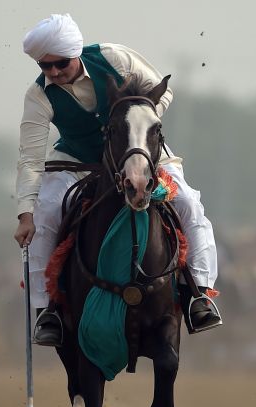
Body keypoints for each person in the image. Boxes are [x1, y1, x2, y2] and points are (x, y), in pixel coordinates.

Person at [12, 14, 222, 346]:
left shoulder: (115, 57)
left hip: (138, 149)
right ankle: (47, 311)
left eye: (60, 64)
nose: (52, 73)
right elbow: (31, 157)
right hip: (78, 160)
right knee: (45, 215)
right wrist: (25, 214)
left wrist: (133, 122)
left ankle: (199, 294)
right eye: (44, 66)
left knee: (188, 204)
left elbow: (161, 93)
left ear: (76, 53)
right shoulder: (38, 96)